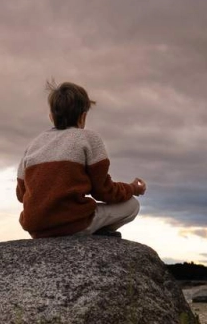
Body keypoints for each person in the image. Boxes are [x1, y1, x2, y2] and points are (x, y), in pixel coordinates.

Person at [16, 81, 146, 238]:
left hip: (37, 229)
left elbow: (20, 195)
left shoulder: (33, 145)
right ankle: (96, 233)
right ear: (83, 117)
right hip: (74, 224)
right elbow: (104, 191)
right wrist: (132, 188)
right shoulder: (89, 139)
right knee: (132, 205)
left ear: (51, 117)